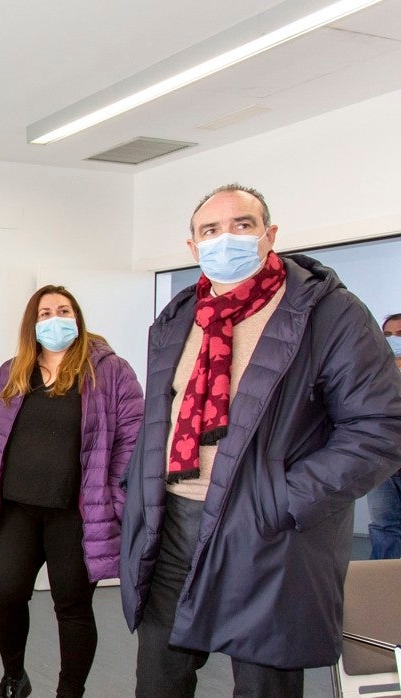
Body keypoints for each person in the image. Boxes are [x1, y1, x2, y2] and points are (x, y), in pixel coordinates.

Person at [120, 184, 401, 697]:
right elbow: (163, 414)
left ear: (269, 235)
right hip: (172, 522)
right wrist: (136, 488)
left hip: (266, 528)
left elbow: (380, 427)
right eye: (210, 230)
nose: (225, 239)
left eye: (242, 225)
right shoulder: (180, 316)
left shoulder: (329, 313)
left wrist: (282, 499)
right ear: (193, 247)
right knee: (159, 676)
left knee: (262, 682)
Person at [0, 286, 143, 698]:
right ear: (32, 324)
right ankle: (14, 677)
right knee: (6, 595)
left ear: (77, 318)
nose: (55, 319)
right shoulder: (12, 371)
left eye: (64, 311)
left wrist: (115, 499)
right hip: (17, 508)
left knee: (72, 607)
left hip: (77, 513)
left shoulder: (110, 371)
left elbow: (133, 438)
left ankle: (69, 691)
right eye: (45, 313)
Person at [366, 312, 401, 559]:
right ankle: (386, 580)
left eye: (400, 334)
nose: (393, 339)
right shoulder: (373, 374)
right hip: (382, 464)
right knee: (384, 528)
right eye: (387, 334)